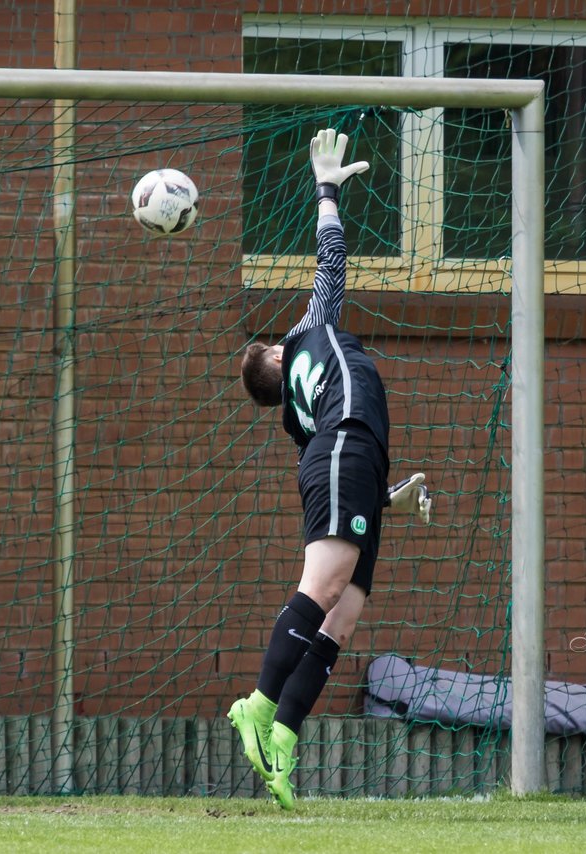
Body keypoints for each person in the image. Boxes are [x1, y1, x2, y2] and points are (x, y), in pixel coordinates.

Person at [229, 127, 433, 810]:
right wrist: (326, 190)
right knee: (325, 587)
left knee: (343, 615)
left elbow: (331, 476)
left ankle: (281, 737)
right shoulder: (306, 338)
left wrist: (387, 498)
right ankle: (258, 708)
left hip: (352, 457)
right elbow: (331, 262)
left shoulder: (301, 414)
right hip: (351, 447)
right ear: (279, 359)